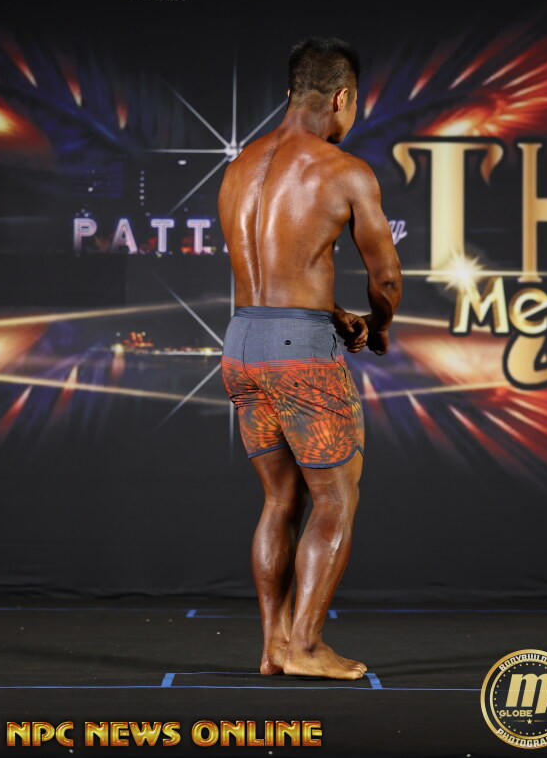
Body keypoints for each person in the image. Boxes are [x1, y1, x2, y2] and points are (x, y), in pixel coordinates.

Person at [217, 36, 402, 680]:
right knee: (335, 499)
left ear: (293, 92)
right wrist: (378, 325)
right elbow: (386, 278)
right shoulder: (343, 169)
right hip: (301, 358)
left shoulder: (239, 166)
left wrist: (329, 311)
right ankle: (306, 646)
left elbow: (274, 278)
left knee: (279, 501)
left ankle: (273, 645)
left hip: (241, 345)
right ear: (342, 98)